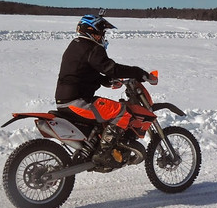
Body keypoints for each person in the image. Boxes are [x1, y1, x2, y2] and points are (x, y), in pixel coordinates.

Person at [55, 13, 153, 156]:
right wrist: (138, 73)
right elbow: (112, 68)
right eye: (101, 32)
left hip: (65, 101)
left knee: (104, 115)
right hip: (78, 103)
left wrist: (106, 81)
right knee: (122, 112)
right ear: (92, 31)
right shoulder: (92, 48)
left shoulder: (75, 46)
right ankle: (105, 153)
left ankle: (96, 147)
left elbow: (83, 72)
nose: (102, 36)